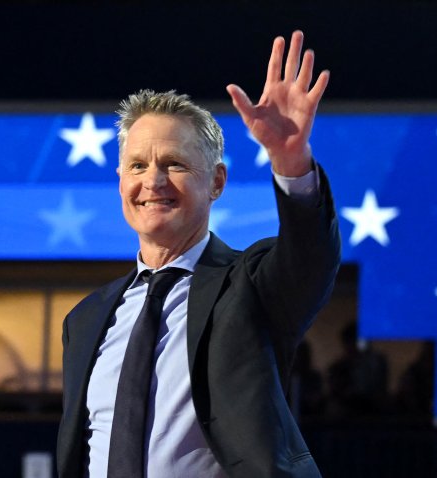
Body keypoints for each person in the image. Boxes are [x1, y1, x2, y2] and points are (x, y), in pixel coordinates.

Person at [57, 30, 341, 478]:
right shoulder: (85, 320)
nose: (153, 181)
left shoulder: (250, 287)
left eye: (175, 164)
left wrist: (292, 163)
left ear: (217, 182)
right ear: (120, 180)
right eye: (137, 165)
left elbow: (309, 256)